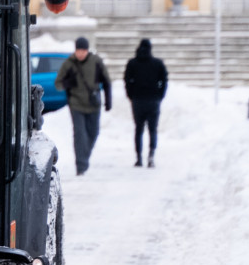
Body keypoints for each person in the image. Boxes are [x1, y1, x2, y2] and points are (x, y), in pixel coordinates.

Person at [55, 36, 112, 175]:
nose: (80, 53)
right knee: (80, 135)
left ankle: (84, 157)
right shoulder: (69, 63)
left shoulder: (96, 61)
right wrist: (69, 83)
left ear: (87, 50)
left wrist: (108, 101)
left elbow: (107, 81)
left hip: (93, 104)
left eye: (83, 50)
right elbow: (58, 84)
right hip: (76, 105)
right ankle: (81, 165)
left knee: (93, 133)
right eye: (78, 50)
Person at [122, 38, 167, 168]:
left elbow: (127, 80)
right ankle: (151, 155)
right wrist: (160, 95)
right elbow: (164, 80)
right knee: (153, 129)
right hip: (153, 100)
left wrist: (131, 95)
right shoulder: (157, 63)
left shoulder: (132, 63)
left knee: (138, 129)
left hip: (137, 100)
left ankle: (139, 158)